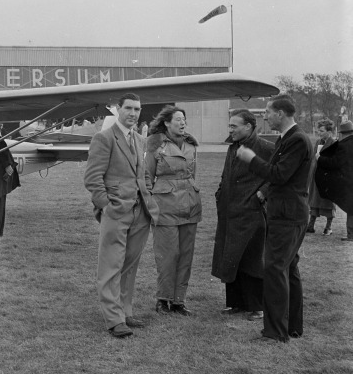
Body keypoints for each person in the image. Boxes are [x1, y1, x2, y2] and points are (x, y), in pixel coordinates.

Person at [236, 94, 312, 343]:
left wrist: (251, 159)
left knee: (275, 269)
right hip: (289, 213)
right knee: (288, 269)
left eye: (268, 112)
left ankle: (276, 332)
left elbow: (279, 175)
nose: (265, 116)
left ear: (280, 113)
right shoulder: (289, 138)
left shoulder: (296, 140)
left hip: (287, 216)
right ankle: (291, 327)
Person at [84, 93, 159, 338]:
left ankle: (125, 312)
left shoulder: (139, 139)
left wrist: (147, 193)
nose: (133, 114)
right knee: (110, 266)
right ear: (118, 109)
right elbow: (93, 178)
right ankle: (114, 319)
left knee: (129, 266)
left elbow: (143, 174)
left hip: (141, 212)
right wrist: (105, 206)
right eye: (128, 108)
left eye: (137, 109)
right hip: (116, 211)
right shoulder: (103, 138)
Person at [212, 109, 274, 321]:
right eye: (229, 125)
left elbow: (278, 174)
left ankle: (257, 307)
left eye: (234, 126)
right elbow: (226, 174)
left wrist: (262, 193)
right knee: (231, 256)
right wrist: (220, 193)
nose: (230, 129)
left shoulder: (266, 147)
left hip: (251, 212)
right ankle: (235, 303)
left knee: (252, 258)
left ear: (248, 126)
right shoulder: (233, 146)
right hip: (230, 211)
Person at [145, 105, 201, 316]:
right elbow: (147, 176)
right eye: (178, 119)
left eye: (184, 119)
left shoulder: (190, 144)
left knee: (186, 255)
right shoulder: (154, 143)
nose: (182, 122)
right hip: (165, 206)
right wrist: (150, 204)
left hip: (190, 204)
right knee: (168, 255)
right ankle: (163, 299)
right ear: (166, 122)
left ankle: (179, 301)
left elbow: (192, 174)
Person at [315, 120, 353, 241]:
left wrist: (320, 159)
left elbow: (335, 163)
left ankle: (351, 235)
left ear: (342, 133)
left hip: (347, 181)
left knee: (350, 208)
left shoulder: (343, 145)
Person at [307, 119, 337, 235]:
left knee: (329, 202)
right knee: (314, 199)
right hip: (317, 175)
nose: (319, 133)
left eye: (322, 131)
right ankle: (311, 225)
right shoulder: (318, 142)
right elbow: (313, 159)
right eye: (318, 130)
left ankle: (328, 227)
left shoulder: (334, 144)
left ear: (329, 132)